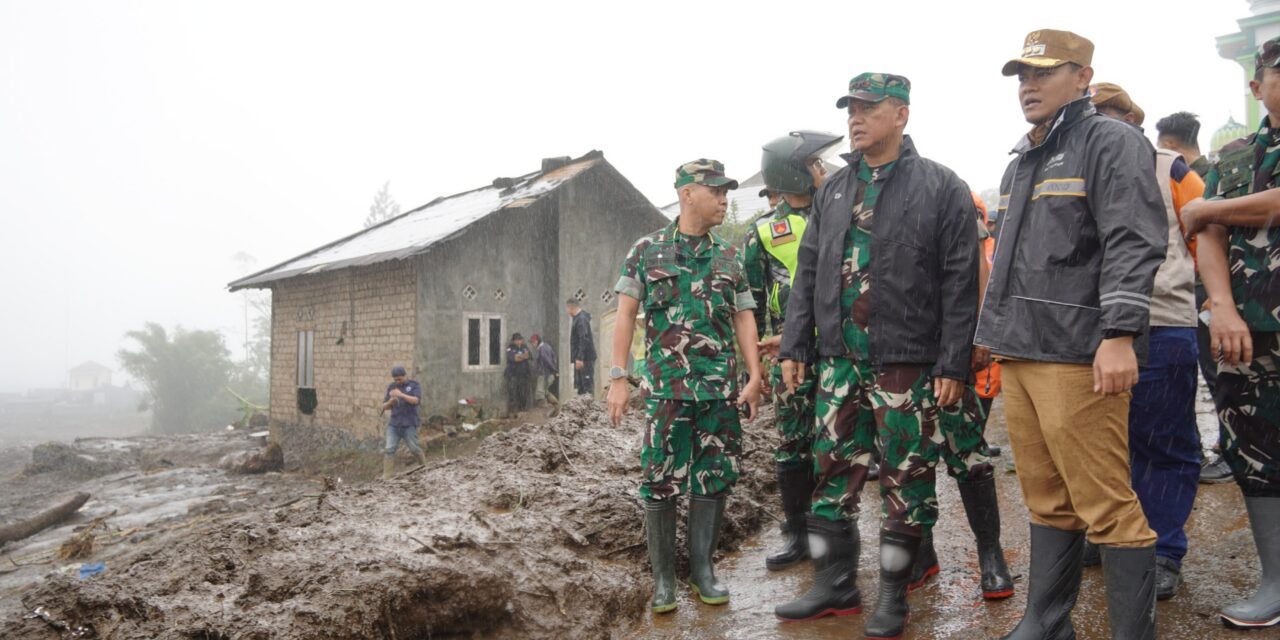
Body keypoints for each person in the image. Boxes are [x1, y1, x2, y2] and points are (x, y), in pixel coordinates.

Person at [772, 73, 979, 640]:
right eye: (851, 109)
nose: (855, 118)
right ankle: (834, 584)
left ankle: (892, 597)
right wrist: (796, 345)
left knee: (905, 479)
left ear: (901, 114)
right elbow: (807, 273)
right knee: (830, 475)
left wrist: (953, 363)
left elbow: (961, 283)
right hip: (840, 361)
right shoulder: (834, 191)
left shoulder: (941, 187)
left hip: (905, 362)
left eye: (869, 108)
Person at [976, 30, 1166, 639]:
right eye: (1021, 76)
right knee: (1045, 497)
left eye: (1043, 72)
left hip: (1077, 352)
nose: (1027, 86)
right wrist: (990, 335)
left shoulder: (1109, 141)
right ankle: (1048, 622)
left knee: (1106, 503)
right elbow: (1008, 261)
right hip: (1023, 350)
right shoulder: (1021, 160)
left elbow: (1133, 239)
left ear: (1082, 77)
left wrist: (1118, 334)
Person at [609, 159, 763, 614]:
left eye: (726, 192)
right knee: (659, 481)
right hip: (665, 391)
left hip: (719, 392)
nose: (723, 199)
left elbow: (744, 317)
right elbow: (624, 316)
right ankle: (663, 581)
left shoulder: (729, 256)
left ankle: (703, 571)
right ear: (686, 193)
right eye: (714, 191)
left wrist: (754, 375)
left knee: (713, 479)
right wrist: (619, 378)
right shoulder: (647, 250)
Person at [1178, 35, 1280, 630]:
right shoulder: (1235, 157)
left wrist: (1210, 209)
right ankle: (1275, 583)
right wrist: (1221, 305)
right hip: (1249, 330)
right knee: (1256, 453)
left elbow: (1204, 215)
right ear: (1257, 84)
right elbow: (1205, 235)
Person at [1090, 82, 1205, 601]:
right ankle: (1116, 535)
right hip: (1090, 329)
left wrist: (1210, 305)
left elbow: (1206, 233)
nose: (1102, 122)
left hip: (1162, 320)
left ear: (1133, 117)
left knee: (1163, 440)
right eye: (1093, 113)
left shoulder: (1170, 167)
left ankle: (1163, 549)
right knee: (1104, 440)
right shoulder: (1068, 163)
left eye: (1112, 113)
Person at [743, 129, 842, 571]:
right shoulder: (762, 232)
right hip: (790, 356)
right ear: (792, 174)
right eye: (812, 165)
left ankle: (837, 536)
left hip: (842, 348)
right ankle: (799, 535)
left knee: (842, 441)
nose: (821, 170)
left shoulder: (843, 214)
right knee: (793, 443)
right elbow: (753, 305)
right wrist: (756, 366)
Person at [909, 191, 1015, 601]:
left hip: (949, 344)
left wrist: (978, 331)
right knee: (908, 459)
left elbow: (977, 264)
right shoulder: (869, 196)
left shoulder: (945, 190)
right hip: (899, 352)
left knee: (969, 454)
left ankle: (991, 553)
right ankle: (922, 552)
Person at [1156, 111, 1235, 485]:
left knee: (1219, 373)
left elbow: (1207, 238)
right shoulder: (1214, 170)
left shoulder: (1190, 178)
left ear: (1169, 144)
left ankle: (1226, 451)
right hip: (1207, 293)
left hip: (1206, 294)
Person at [380, 365, 425, 480]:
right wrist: (391, 401)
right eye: (395, 380)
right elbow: (384, 406)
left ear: (405, 376)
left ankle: (424, 469)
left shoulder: (414, 385)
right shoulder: (392, 387)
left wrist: (401, 395)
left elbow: (416, 400)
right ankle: (386, 477)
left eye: (400, 379)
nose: (397, 381)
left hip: (409, 423)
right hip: (394, 424)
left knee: (414, 448)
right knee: (389, 449)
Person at [567, 300, 597, 396]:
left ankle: (589, 409)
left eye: (567, 308)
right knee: (580, 386)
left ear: (571, 307)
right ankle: (582, 408)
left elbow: (583, 339)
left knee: (586, 385)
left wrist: (580, 358)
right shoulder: (578, 318)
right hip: (581, 358)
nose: (567, 311)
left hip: (585, 359)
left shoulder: (581, 319)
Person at [504, 333, 533, 416]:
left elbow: (529, 356)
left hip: (523, 374)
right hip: (512, 374)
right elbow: (515, 358)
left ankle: (522, 411)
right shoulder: (510, 348)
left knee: (523, 393)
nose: (519, 341)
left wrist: (521, 356)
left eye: (520, 339)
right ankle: (512, 413)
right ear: (513, 341)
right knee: (513, 393)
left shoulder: (525, 347)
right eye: (517, 340)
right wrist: (523, 356)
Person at [529, 334, 559, 407]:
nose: (532, 344)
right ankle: (557, 405)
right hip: (548, 373)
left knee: (540, 393)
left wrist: (554, 371)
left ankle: (543, 411)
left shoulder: (542, 349)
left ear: (537, 341)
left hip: (544, 374)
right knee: (545, 391)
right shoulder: (546, 347)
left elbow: (547, 361)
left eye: (533, 342)